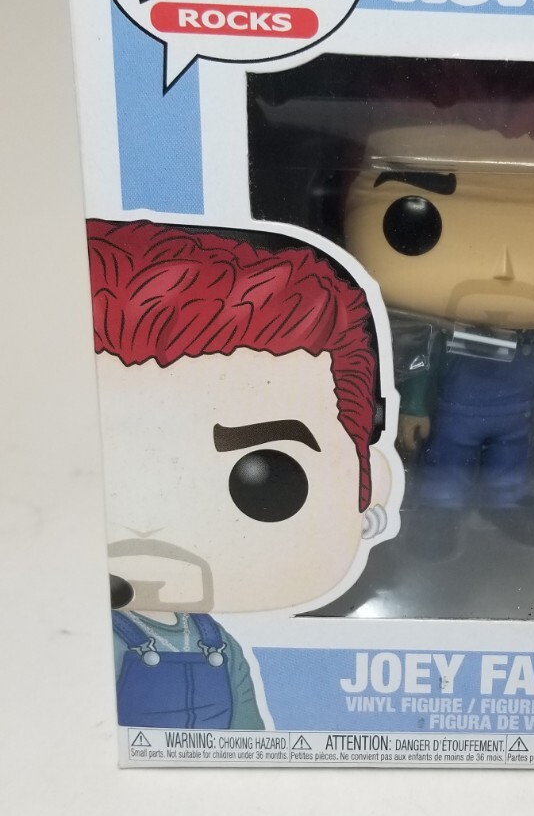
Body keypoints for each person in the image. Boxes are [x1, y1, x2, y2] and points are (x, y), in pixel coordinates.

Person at [89, 218, 397, 726]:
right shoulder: (90, 641)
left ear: (369, 485)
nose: (151, 526)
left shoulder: (217, 644)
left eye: (266, 479)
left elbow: (249, 727)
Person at [343, 65, 534, 555]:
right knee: (447, 462)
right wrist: (416, 407)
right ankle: (440, 510)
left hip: (516, 416)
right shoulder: (444, 328)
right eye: (415, 220)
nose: (504, 269)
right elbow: (425, 363)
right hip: (455, 414)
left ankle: (506, 501)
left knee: (510, 463)